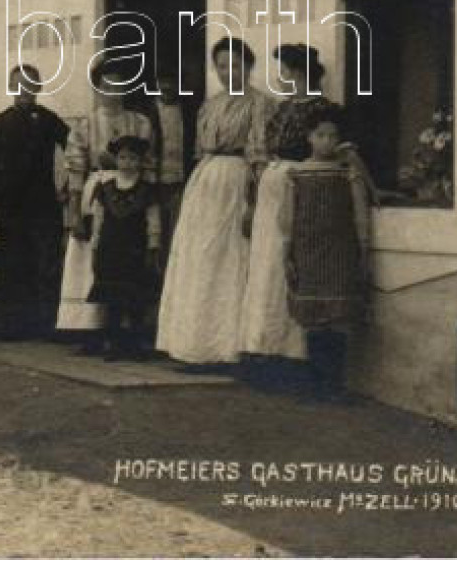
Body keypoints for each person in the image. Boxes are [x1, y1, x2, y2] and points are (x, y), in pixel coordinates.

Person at [155, 36, 272, 366]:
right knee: (200, 258)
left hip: (238, 180)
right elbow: (199, 148)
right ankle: (193, 344)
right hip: (205, 183)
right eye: (221, 66)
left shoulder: (260, 104)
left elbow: (260, 155)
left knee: (230, 258)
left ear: (248, 67)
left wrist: (255, 199)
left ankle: (227, 347)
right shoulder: (211, 104)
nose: (228, 72)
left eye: (235, 65)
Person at [239, 44, 338, 365]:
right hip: (272, 186)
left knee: (291, 261)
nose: (281, 79)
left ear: (298, 74)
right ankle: (265, 346)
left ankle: (293, 351)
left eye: (284, 72)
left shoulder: (321, 110)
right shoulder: (281, 109)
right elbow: (263, 148)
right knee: (267, 264)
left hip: (300, 185)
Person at [283, 103, 373, 402]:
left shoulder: (347, 173)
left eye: (332, 136)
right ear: (309, 137)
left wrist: (363, 248)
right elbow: (287, 217)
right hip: (307, 250)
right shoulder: (296, 174)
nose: (327, 141)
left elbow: (360, 212)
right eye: (320, 135)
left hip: (340, 251)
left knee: (337, 318)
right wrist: (288, 252)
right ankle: (315, 386)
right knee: (313, 320)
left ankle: (334, 386)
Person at [58, 61, 155, 335]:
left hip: (133, 194)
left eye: (119, 85)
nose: (113, 92)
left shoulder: (139, 122)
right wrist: (75, 213)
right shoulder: (85, 125)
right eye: (106, 86)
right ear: (98, 88)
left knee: (125, 261)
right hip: (97, 193)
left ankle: (126, 328)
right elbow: (75, 169)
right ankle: (89, 326)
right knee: (92, 256)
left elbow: (148, 164)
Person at [0, 64, 71, 339]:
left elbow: (75, 147)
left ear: (38, 88)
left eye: (30, 84)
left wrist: (68, 187)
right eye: (18, 84)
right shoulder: (1, 121)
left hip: (43, 205)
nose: (24, 90)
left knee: (44, 265)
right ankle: (12, 326)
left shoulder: (48, 119)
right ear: (11, 88)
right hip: (11, 207)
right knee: (12, 265)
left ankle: (45, 325)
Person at [85, 134, 162, 360]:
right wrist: (95, 245)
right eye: (122, 157)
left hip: (135, 249)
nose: (127, 162)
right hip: (110, 248)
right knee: (113, 300)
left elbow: (153, 220)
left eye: (132, 158)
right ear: (116, 160)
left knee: (135, 299)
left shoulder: (147, 190)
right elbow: (98, 219)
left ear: (140, 161)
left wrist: (153, 245)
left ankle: (135, 344)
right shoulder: (105, 188)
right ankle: (114, 343)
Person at [151, 68, 190, 269]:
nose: (167, 87)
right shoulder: (148, 112)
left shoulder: (188, 111)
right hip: (155, 180)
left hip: (180, 180)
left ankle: (173, 275)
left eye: (172, 82)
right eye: (163, 82)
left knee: (177, 230)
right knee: (156, 229)